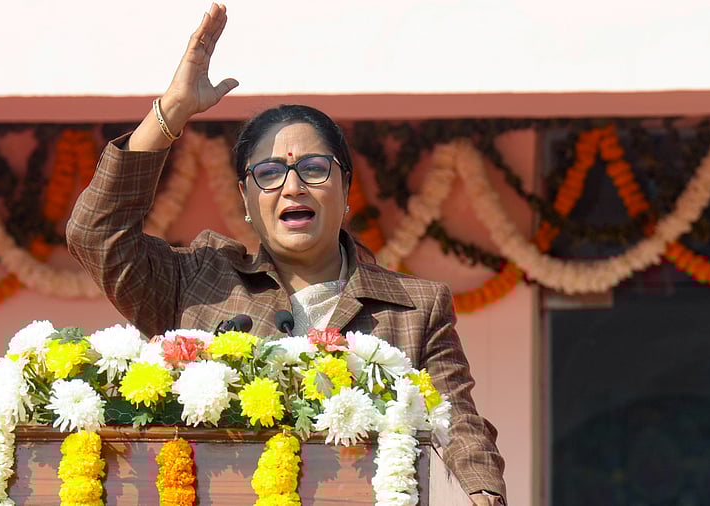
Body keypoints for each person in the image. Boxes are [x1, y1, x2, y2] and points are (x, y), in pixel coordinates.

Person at [66, 4, 506, 504]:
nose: (292, 186)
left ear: (346, 191)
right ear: (247, 202)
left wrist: (482, 493)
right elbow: (95, 235)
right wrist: (170, 114)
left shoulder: (415, 308)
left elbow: (460, 425)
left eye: (314, 168)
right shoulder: (196, 282)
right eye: (269, 174)